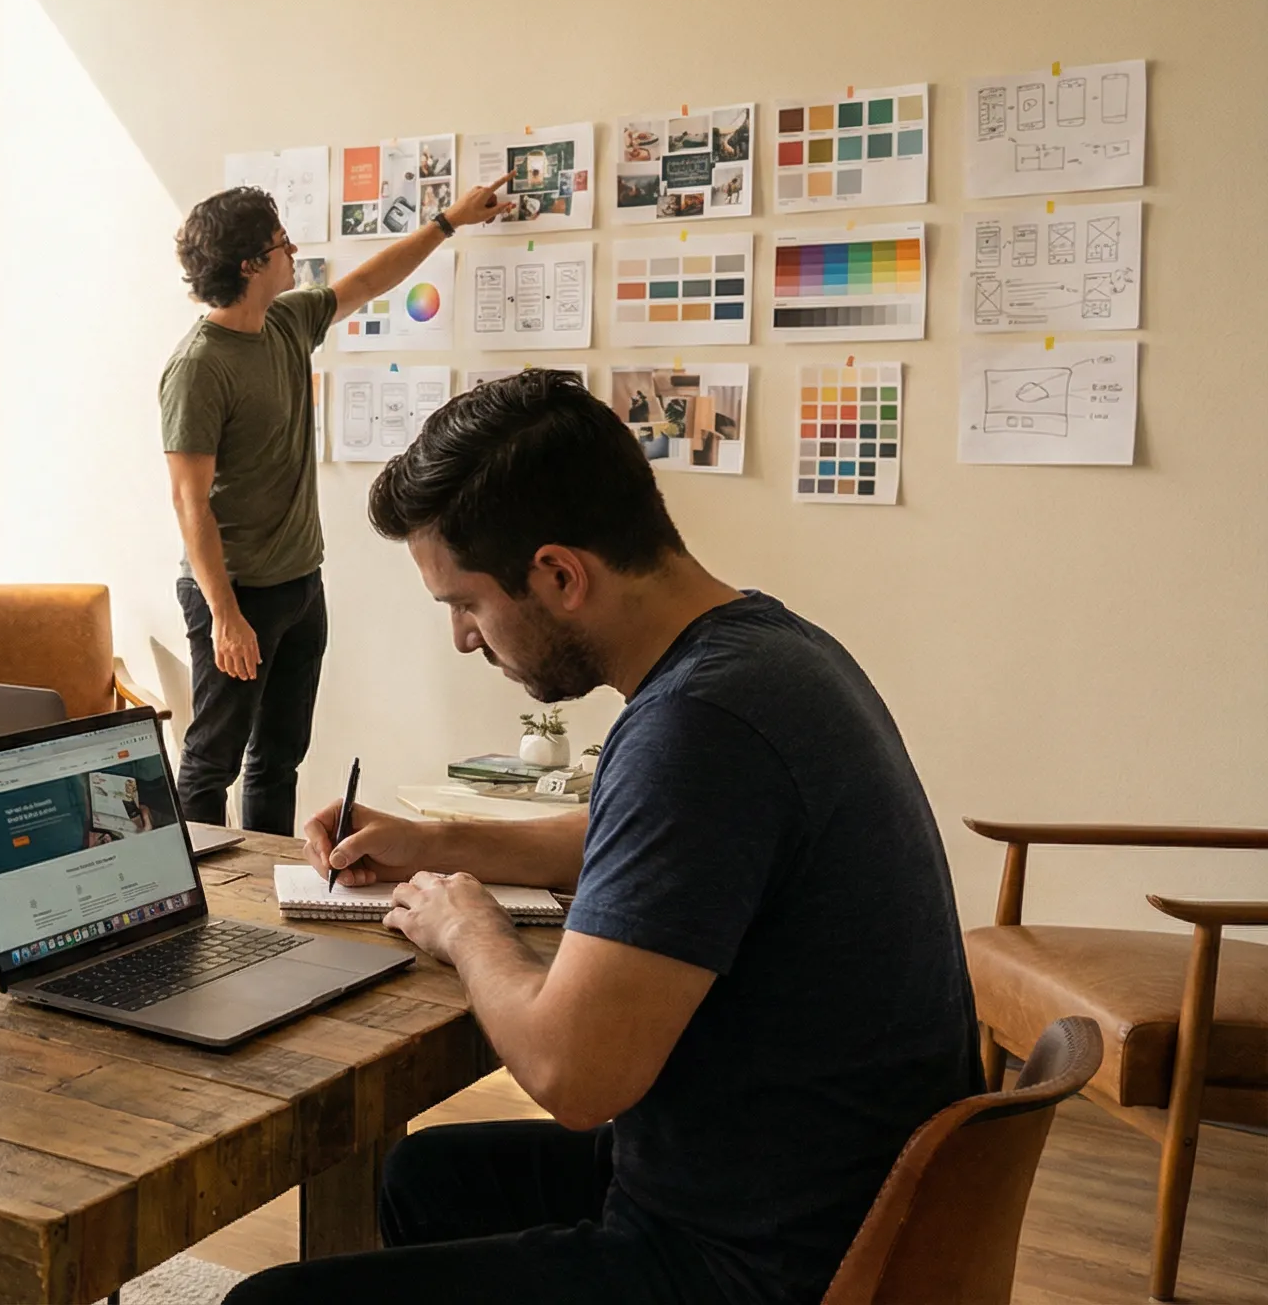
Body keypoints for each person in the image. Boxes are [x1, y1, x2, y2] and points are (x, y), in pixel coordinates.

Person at [230, 370, 977, 1305]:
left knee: (267, 1304)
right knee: (421, 1181)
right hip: (815, 1185)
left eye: (464, 604)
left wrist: (470, 930)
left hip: (761, 1262)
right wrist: (435, 839)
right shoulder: (768, 654)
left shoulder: (696, 726)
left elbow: (572, 1075)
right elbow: (638, 839)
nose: (465, 639)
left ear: (557, 575)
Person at [160, 176, 507, 831]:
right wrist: (225, 615)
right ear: (250, 265)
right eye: (281, 244)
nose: (294, 253)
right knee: (212, 762)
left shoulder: (287, 322)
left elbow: (371, 281)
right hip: (235, 594)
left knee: (279, 759)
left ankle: (263, 890)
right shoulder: (199, 367)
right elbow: (189, 504)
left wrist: (449, 222)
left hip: (298, 585)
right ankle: (202, 901)